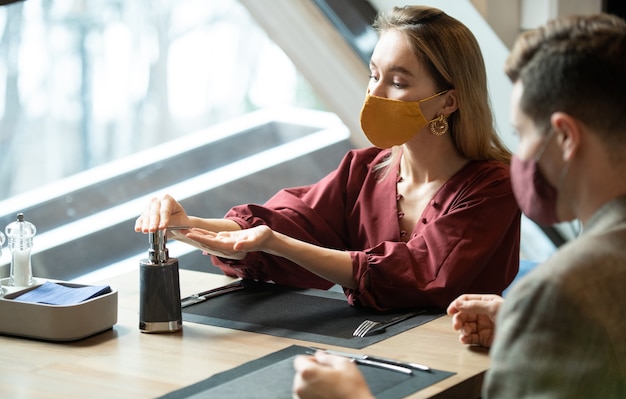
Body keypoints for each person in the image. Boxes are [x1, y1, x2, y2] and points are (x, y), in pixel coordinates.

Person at [293, 11, 626, 399]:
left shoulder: (563, 291)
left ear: (565, 137)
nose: (517, 157)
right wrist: (530, 327)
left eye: (522, 135)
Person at [135, 5, 520, 311]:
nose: (376, 92)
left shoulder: (495, 187)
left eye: (399, 82)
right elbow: (291, 222)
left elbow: (420, 273)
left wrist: (277, 244)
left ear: (448, 101)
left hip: (462, 376)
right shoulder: (364, 170)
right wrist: (189, 225)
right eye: (374, 75)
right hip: (370, 355)